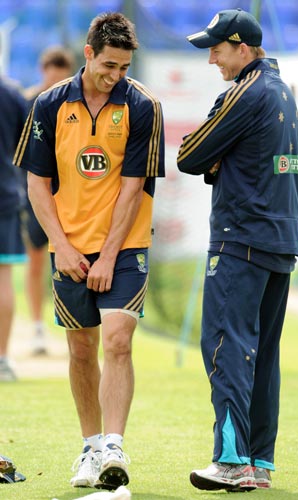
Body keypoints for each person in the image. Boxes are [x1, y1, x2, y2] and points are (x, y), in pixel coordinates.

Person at [14, 11, 164, 491]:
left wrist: (106, 256)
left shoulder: (142, 106)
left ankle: (115, 448)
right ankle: (92, 447)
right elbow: (37, 184)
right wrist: (62, 246)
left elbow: (133, 187)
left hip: (125, 246)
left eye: (123, 67)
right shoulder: (49, 106)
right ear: (88, 53)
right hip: (70, 249)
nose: (116, 75)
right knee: (81, 348)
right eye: (108, 65)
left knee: (118, 339)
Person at [177, 9, 298, 492]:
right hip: (278, 239)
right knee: (263, 355)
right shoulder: (283, 90)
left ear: (243, 48)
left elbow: (190, 155)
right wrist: (221, 160)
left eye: (217, 48)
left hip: (240, 238)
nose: (211, 59)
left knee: (228, 347)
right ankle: (259, 464)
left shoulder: (243, 92)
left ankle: (230, 461)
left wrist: (215, 161)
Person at [22, 46, 76, 355]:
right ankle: (37, 327)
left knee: (68, 258)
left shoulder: (73, 104)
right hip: (35, 193)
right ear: (44, 72)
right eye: (50, 75)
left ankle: (69, 322)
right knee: (36, 259)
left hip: (68, 194)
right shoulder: (29, 102)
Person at [0, 74, 28, 382]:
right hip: (5, 194)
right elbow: (28, 147)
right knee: (3, 276)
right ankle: (2, 358)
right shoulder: (12, 94)